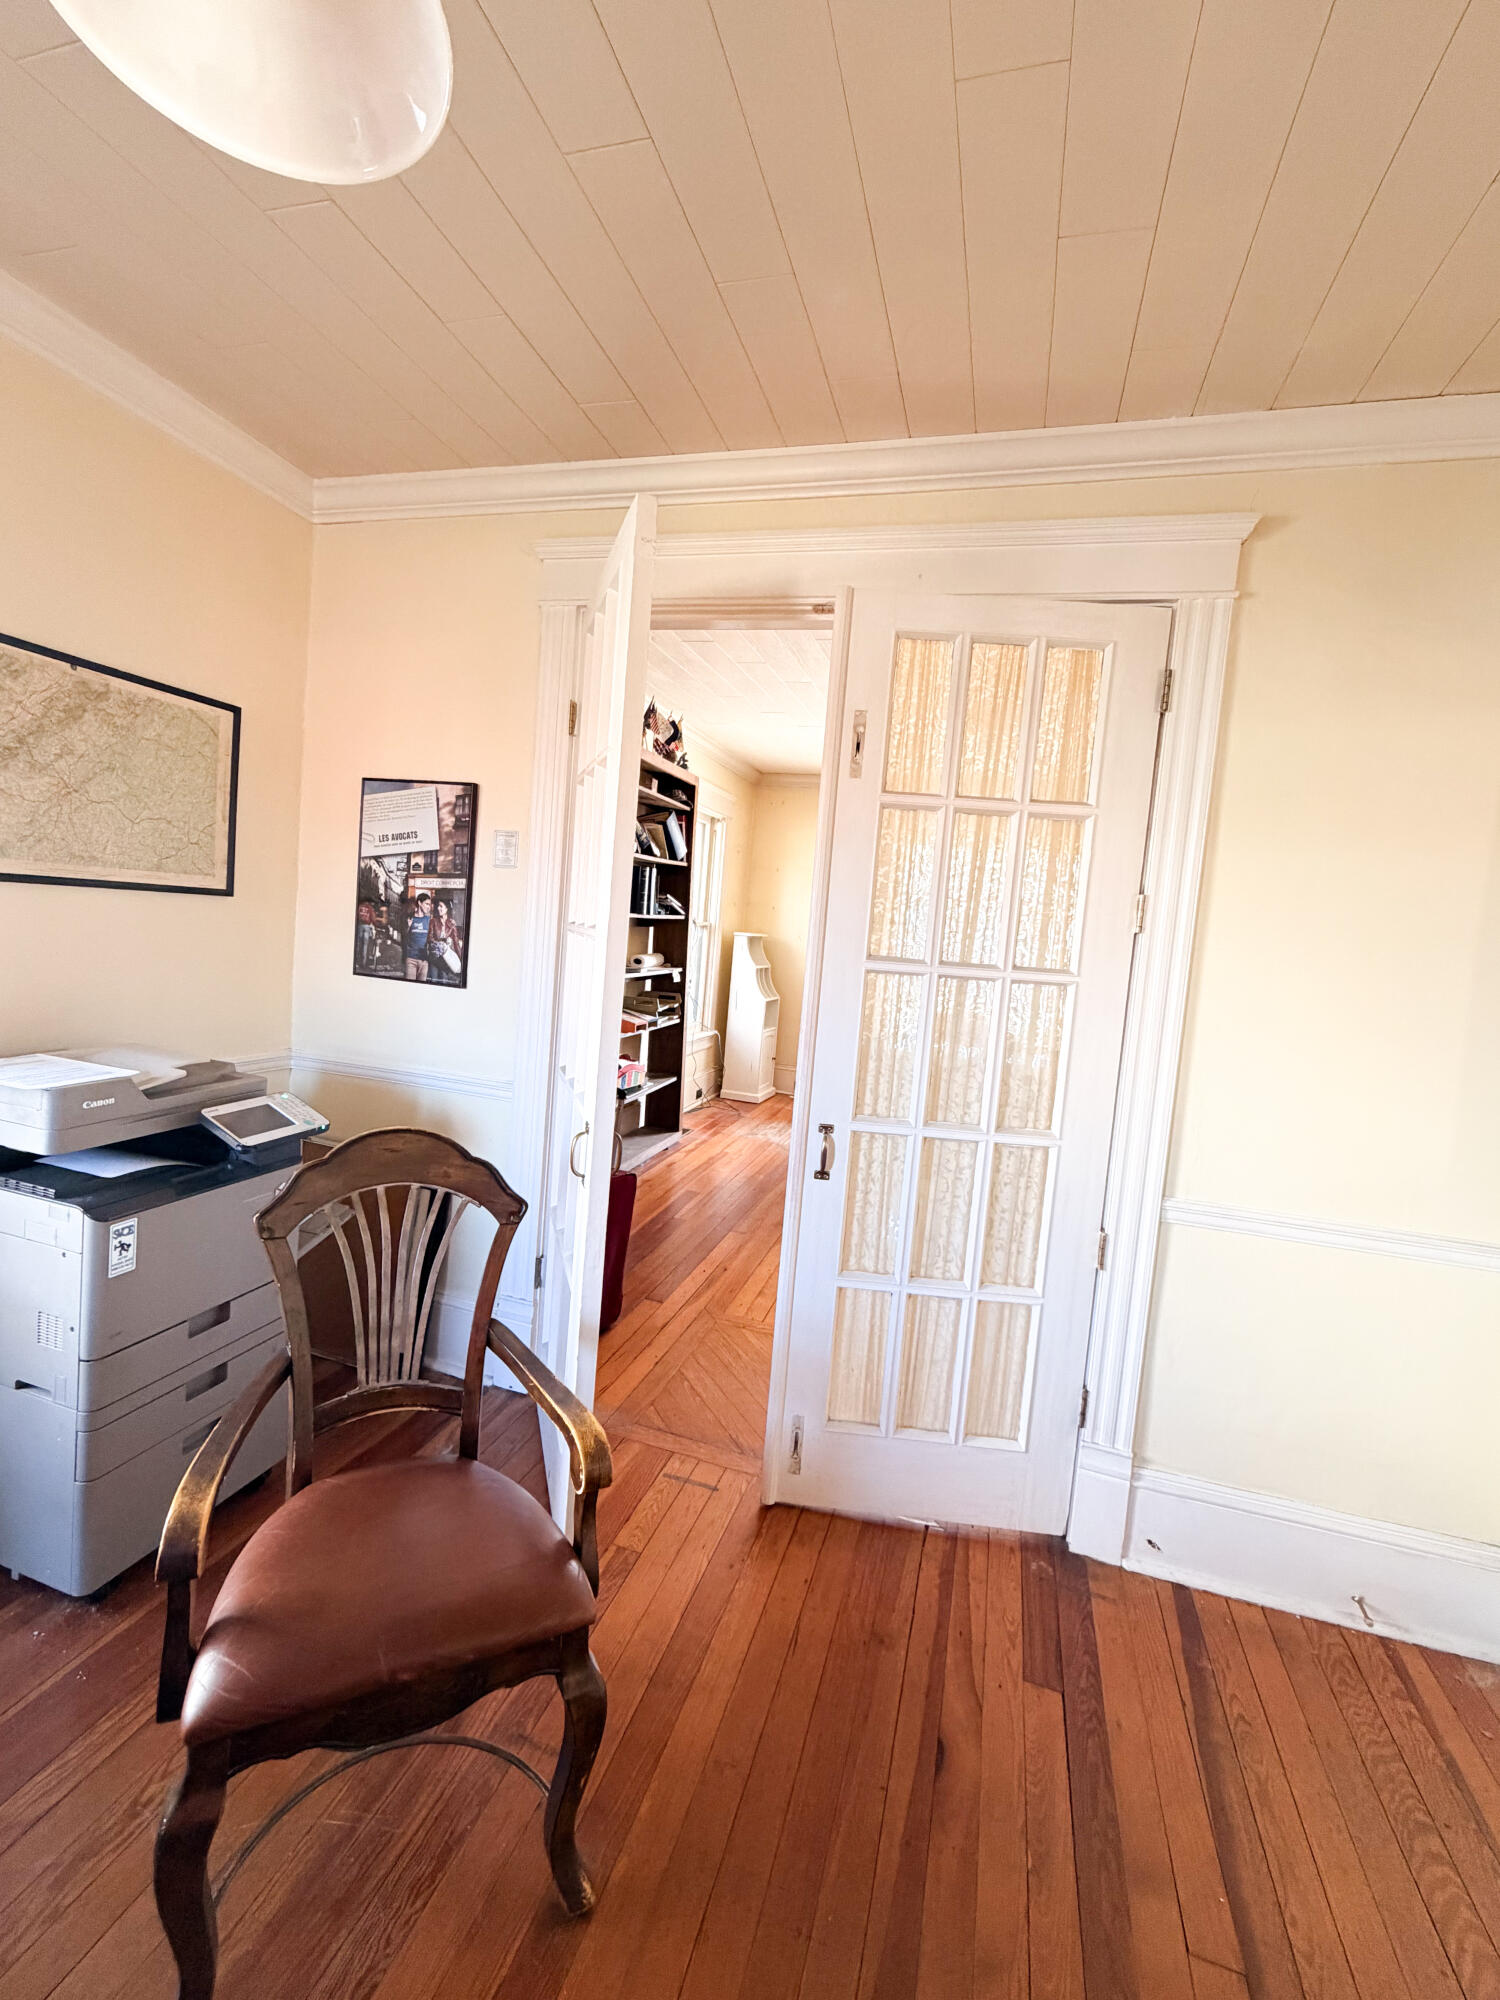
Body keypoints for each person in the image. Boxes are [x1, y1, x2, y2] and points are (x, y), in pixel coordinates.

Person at [427, 897, 461, 984]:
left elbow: (456, 943)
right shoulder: (433, 921)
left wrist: (460, 959)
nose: (438, 908)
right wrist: (443, 942)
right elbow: (429, 938)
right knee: (433, 982)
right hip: (434, 958)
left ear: (447, 909)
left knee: (444, 982)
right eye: (438, 906)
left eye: (441, 906)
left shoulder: (452, 924)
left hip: (446, 960)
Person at [403, 892, 432, 981]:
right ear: (419, 903)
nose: (429, 907)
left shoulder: (429, 920)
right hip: (411, 959)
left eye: (429, 905)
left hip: (424, 960)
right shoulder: (410, 918)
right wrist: (408, 926)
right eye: (426, 904)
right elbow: (403, 936)